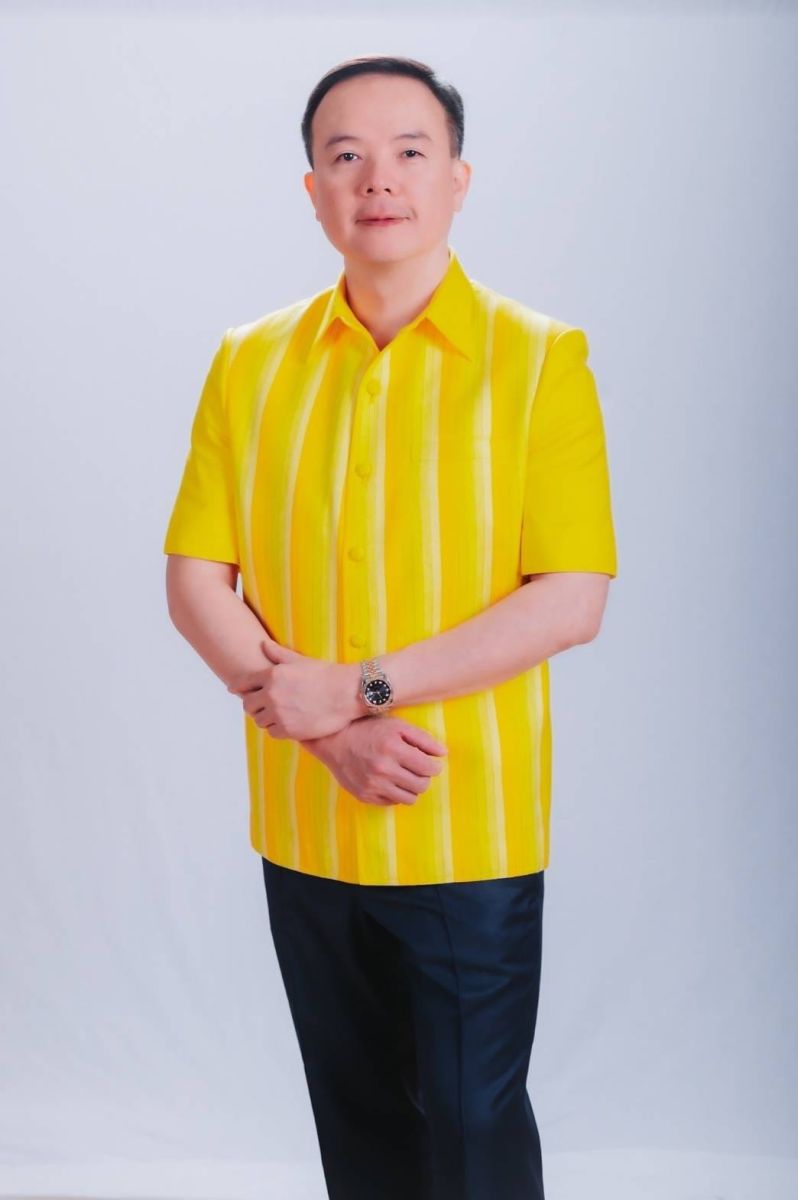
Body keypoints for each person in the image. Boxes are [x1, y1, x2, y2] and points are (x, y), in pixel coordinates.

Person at [163, 54, 617, 1200]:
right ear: (312, 190)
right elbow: (195, 579)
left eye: (411, 152)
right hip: (305, 824)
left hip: (467, 828)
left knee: (473, 1127)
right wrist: (326, 733)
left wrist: (360, 690)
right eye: (346, 155)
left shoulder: (539, 360)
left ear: (457, 179)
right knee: (357, 1126)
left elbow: (572, 597)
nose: (379, 179)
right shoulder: (248, 363)